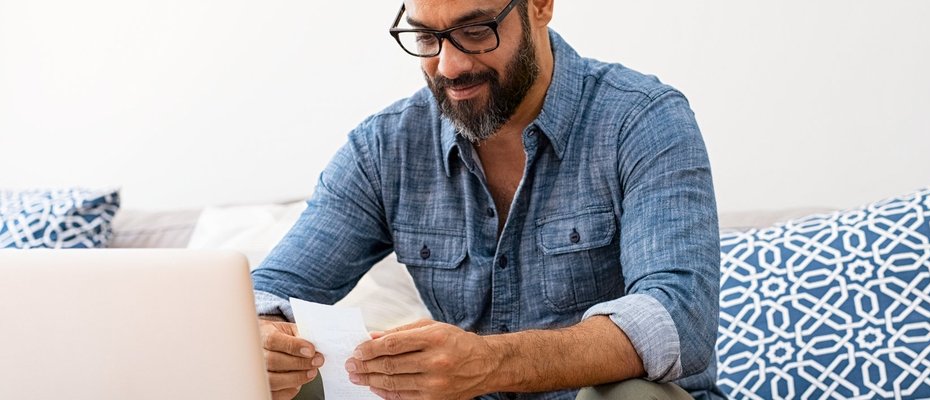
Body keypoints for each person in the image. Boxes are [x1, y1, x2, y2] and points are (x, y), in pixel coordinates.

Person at [250, 0, 720, 398]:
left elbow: (679, 316)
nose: (450, 67)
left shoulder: (642, 119)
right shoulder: (385, 147)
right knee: (272, 379)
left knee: (627, 394)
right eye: (427, 38)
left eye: (476, 31)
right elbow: (266, 290)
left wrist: (491, 362)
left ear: (539, 5)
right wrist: (263, 338)